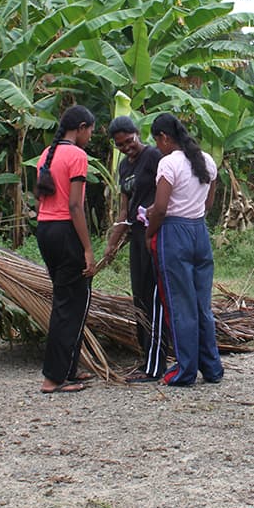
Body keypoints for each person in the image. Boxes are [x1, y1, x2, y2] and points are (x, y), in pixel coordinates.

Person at [145, 113, 222, 386]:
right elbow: (209, 204)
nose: (157, 147)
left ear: (164, 137)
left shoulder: (168, 163)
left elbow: (162, 207)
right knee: (202, 306)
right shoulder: (207, 161)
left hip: (174, 234)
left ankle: (184, 370)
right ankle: (212, 368)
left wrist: (149, 231)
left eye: (157, 141)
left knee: (180, 305)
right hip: (200, 232)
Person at [34, 105, 98, 394]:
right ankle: (54, 378)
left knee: (65, 299)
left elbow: (41, 201)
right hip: (65, 231)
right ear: (82, 127)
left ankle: (68, 369)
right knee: (69, 306)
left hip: (45, 229)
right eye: (91, 131)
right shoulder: (77, 156)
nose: (91, 137)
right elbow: (74, 205)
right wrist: (87, 248)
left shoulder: (46, 156)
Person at [102, 116, 167, 383]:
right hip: (136, 237)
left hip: (154, 234)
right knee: (139, 297)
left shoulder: (153, 157)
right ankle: (146, 356)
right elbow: (124, 208)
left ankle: (156, 364)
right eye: (120, 145)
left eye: (129, 141)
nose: (126, 147)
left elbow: (165, 194)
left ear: (138, 134)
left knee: (154, 298)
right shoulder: (123, 168)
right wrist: (112, 243)